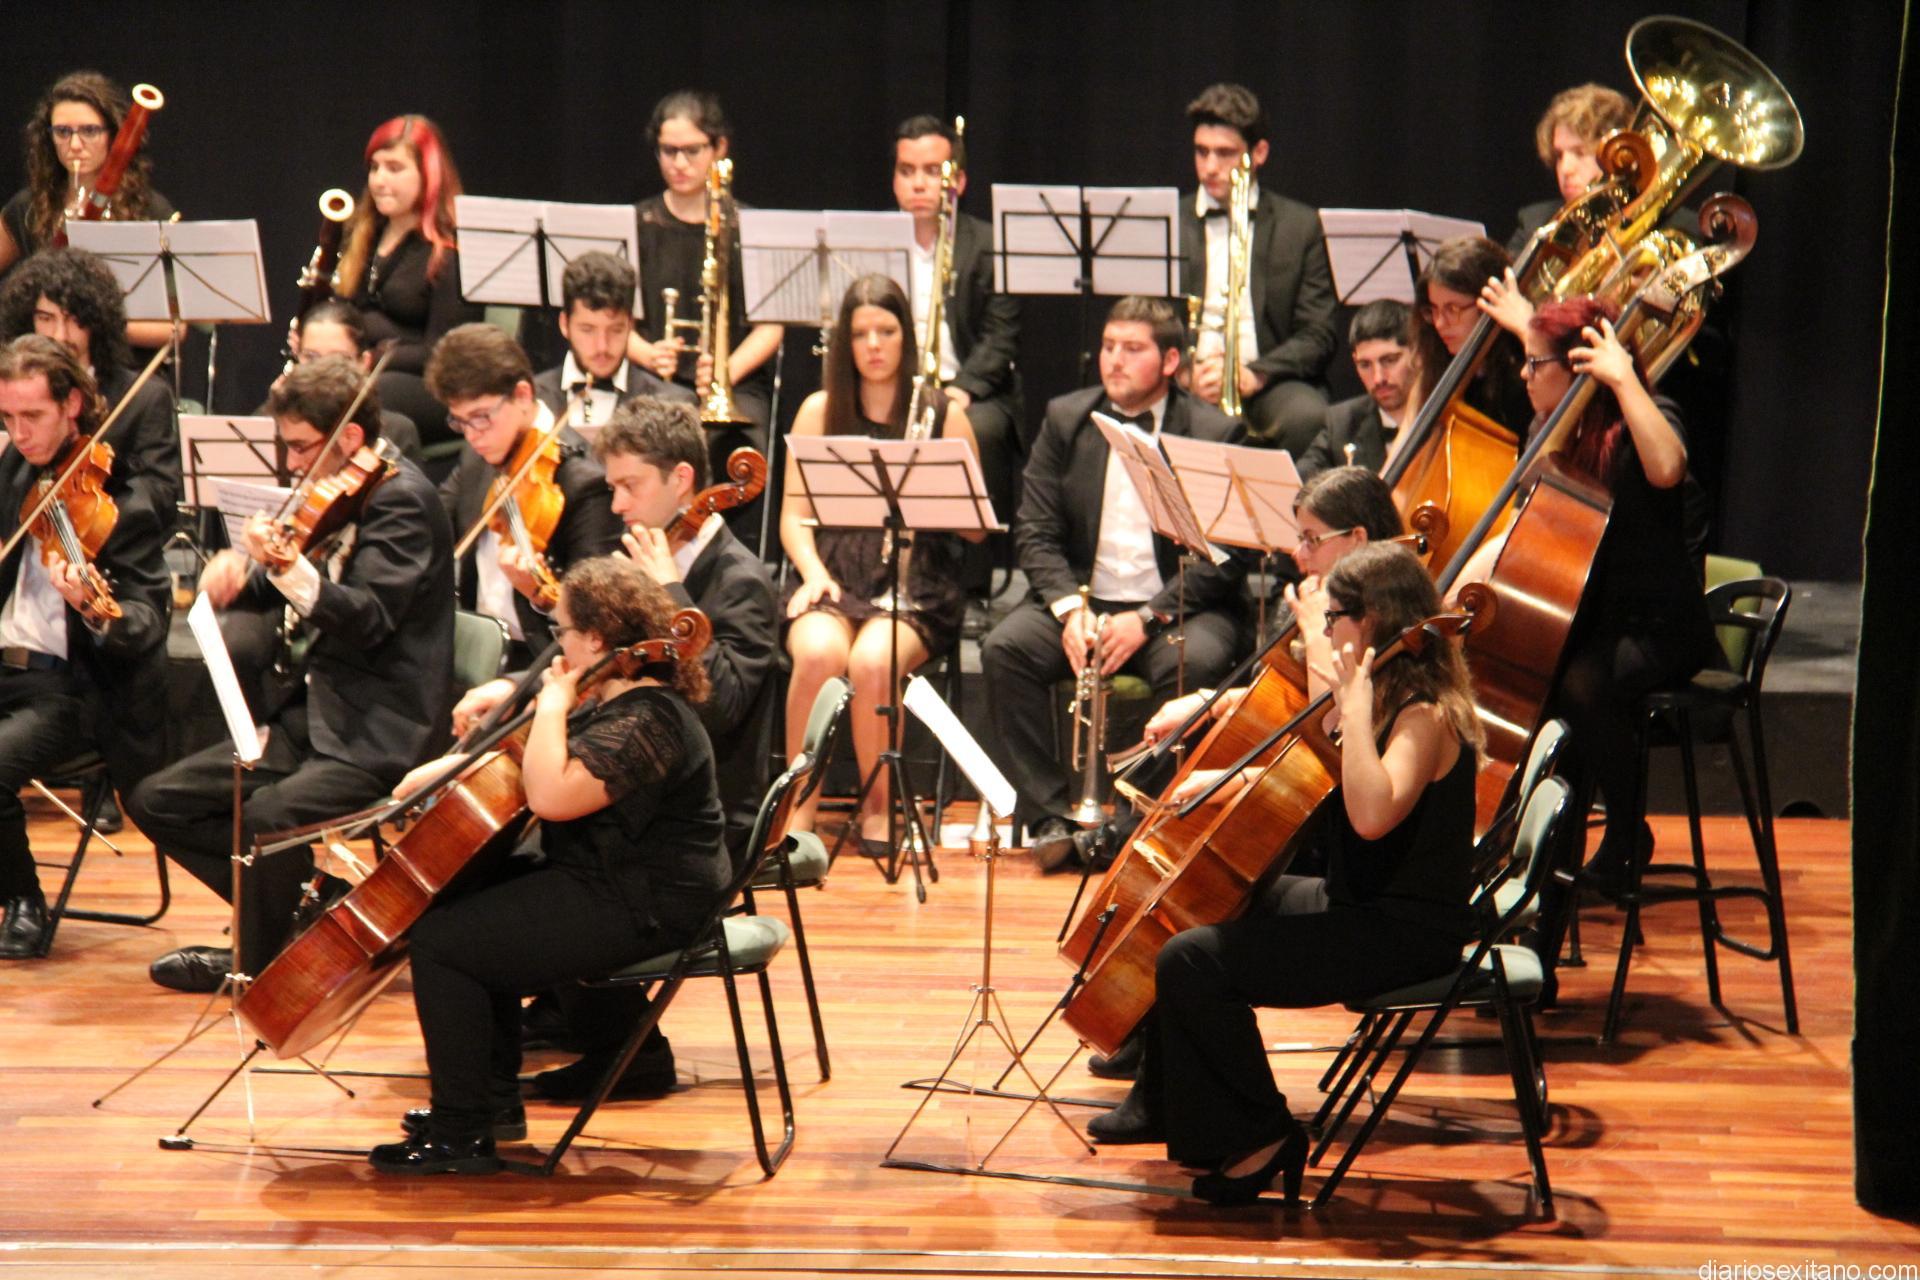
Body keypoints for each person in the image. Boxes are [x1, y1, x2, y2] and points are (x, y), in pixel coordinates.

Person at [1088, 542, 1482, 1209]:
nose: (1326, 631)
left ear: (1371, 619)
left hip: (1401, 932)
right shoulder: (1384, 698)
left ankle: (1263, 1133)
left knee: (1194, 960)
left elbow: (1370, 817)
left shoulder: (1424, 715)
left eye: (1333, 618)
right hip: (1357, 903)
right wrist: (1222, 780)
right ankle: (1177, 1109)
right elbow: (1312, 779)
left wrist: (1352, 712)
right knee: (1213, 904)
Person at [452, 399, 778, 1098]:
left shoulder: (740, 580)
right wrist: (518, 672)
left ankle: (560, 1013)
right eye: (613, 487)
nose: (619, 505)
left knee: (547, 855)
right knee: (492, 860)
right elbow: (600, 659)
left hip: (693, 814)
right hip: (633, 783)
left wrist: (672, 592)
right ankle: (581, 1026)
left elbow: (721, 706)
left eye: (630, 486)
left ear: (682, 479)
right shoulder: (636, 558)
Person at [368, 555, 728, 1175]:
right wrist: (446, 768)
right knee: (462, 903)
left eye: (562, 631)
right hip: (615, 879)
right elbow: (530, 755)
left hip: (646, 902)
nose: (556, 644)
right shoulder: (619, 700)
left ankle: (461, 1133)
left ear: (596, 639)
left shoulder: (647, 720)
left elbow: (551, 796)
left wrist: (555, 704)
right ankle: (487, 1105)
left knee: (444, 945)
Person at [125, 357, 455, 992]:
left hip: (378, 732)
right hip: (317, 714)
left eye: (303, 447)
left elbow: (368, 619)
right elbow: (296, 571)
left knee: (267, 817)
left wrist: (281, 568)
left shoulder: (402, 501)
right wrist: (241, 575)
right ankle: (314, 910)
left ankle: (258, 967)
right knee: (157, 800)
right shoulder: (345, 487)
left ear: (349, 437)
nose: (295, 463)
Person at [1454, 296, 1714, 964]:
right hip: (1589, 622)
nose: (1522, 375)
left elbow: (1667, 468)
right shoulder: (1551, 430)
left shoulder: (1644, 416)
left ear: (1580, 368)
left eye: (1534, 363)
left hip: (1660, 627)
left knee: (1578, 689)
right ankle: (1532, 932)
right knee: (1556, 720)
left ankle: (1624, 834)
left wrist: (1623, 378)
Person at [981, 295, 1244, 865]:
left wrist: (1148, 617)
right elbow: (1036, 530)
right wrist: (1068, 610)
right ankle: (1051, 817)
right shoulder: (1067, 418)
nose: (1114, 360)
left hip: (1175, 608)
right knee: (1005, 649)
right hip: (1086, 600)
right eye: (1107, 346)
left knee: (1195, 663)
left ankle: (1132, 822)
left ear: (1170, 361)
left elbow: (1227, 556)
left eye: (1132, 348)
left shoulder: (1215, 431)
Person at [780, 275, 982, 846]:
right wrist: (813, 573)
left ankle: (877, 808)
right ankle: (798, 809)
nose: (873, 345)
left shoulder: (943, 413)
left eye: (886, 331)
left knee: (872, 662)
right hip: (833, 572)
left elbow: (974, 528)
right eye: (860, 333)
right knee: (818, 653)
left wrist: (932, 495)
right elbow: (793, 516)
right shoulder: (819, 410)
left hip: (913, 583)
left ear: (906, 338)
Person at [0, 336, 171, 959]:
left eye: (32, 416)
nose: (19, 433)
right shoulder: (15, 468)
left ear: (72, 404)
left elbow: (147, 619)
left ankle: (22, 899)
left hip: (72, 689)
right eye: (7, 417)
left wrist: (96, 610)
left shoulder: (119, 501)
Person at [630, 91, 783, 548]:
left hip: (736, 384)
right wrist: (647, 353)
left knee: (736, 448)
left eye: (692, 150)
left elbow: (771, 325)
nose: (679, 163)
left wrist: (723, 373)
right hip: (654, 380)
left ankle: (712, 555)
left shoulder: (748, 225)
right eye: (668, 151)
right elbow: (615, 319)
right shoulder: (638, 222)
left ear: (719, 148)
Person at [429, 323, 623, 665]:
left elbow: (598, 625)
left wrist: (539, 595)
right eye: (460, 421)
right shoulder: (479, 455)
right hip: (469, 649)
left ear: (521, 394)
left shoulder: (585, 482)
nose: (472, 435)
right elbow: (432, 524)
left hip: (539, 661)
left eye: (481, 417)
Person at [1177, 84, 1336, 456]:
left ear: (1259, 152)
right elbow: (1148, 319)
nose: (1210, 167)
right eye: (1201, 151)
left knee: (1309, 418)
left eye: (1225, 153)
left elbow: (1318, 334)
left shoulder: (1301, 227)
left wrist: (1254, 373)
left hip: (1266, 380)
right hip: (1189, 380)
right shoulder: (1171, 220)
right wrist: (1186, 372)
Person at [890, 115, 1024, 534]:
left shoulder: (990, 245)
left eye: (932, 172)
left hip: (966, 390)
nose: (918, 184)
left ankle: (969, 566)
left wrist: (961, 391)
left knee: (975, 430)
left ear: (959, 182)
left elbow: (1001, 335)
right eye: (907, 171)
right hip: (892, 385)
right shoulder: (874, 239)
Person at [0, 248, 181, 539]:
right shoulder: (12, 392)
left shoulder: (143, 397)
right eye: (46, 318)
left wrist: (92, 515)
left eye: (74, 319)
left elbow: (159, 494)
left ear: (95, 321)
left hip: (110, 550)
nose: (59, 335)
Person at [332, 115, 481, 450]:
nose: (379, 180)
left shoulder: (451, 251)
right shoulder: (364, 236)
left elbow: (441, 352)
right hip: (366, 371)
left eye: (395, 168)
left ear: (429, 175)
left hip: (434, 387)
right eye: (375, 168)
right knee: (296, 394)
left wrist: (371, 357)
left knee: (363, 397)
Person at [0, 72, 177, 352]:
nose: (74, 145)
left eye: (90, 131)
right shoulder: (29, 207)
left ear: (113, 134)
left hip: (123, 365)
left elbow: (173, 330)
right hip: (46, 362)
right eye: (62, 132)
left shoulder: (150, 209)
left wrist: (92, 321)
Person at [532, 251, 692, 428]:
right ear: (564, 324)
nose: (602, 346)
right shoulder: (530, 399)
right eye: (587, 330)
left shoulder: (673, 406)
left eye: (615, 330)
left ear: (630, 325)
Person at [273, 299, 421, 462]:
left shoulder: (397, 432)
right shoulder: (272, 421)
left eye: (337, 358)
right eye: (311, 357)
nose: (322, 369)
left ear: (364, 362)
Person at [1416, 236, 1534, 437]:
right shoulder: (1438, 369)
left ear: (1491, 302)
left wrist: (1527, 330)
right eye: (1433, 309)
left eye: (1452, 309)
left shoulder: (1525, 370)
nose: (1439, 323)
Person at [1295, 301, 1425, 479]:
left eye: (1390, 360)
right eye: (1365, 365)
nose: (1378, 378)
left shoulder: (1448, 419)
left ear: (1418, 354)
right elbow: (1299, 479)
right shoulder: (1342, 422)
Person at [1507, 84, 1634, 257]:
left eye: (1580, 153)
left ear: (1617, 153)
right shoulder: (1533, 224)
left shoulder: (1658, 219)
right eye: (1559, 155)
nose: (1565, 169)